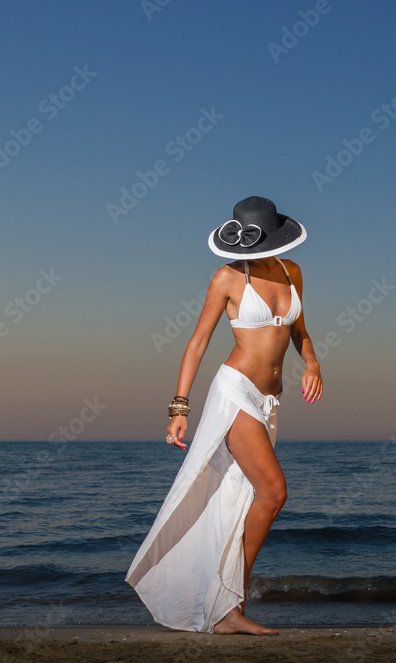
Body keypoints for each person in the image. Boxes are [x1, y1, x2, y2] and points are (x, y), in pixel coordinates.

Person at [126, 196, 322, 635]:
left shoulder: (293, 273)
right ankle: (230, 606)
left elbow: (301, 333)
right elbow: (197, 343)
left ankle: (223, 607)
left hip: (268, 401)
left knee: (241, 501)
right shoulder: (227, 277)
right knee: (273, 493)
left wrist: (313, 363)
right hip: (234, 392)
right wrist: (180, 408)